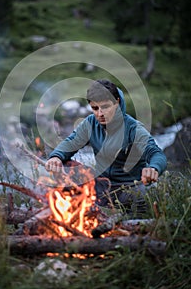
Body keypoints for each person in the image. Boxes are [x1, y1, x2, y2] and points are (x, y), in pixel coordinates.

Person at [45, 79, 167, 217]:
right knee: (66, 166)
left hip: (129, 188)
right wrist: (56, 157)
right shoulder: (90, 123)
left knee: (142, 195)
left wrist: (153, 168)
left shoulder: (134, 128)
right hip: (101, 187)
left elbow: (156, 153)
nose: (100, 114)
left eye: (105, 107)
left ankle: (134, 223)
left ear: (117, 102)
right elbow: (71, 142)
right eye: (95, 108)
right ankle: (74, 215)